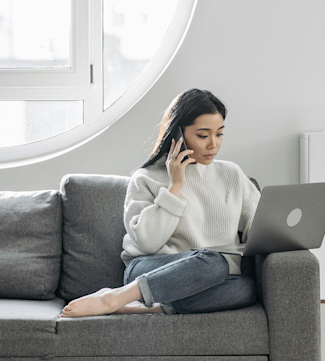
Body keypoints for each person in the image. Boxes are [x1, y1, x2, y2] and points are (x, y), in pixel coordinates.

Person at [58, 88, 260, 318]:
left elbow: (261, 225)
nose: (213, 145)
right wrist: (175, 187)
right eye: (203, 136)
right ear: (178, 135)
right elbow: (147, 242)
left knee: (245, 288)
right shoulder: (146, 177)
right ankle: (115, 297)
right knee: (214, 262)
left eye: (220, 134)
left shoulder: (231, 174)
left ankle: (154, 306)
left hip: (207, 280)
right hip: (150, 268)